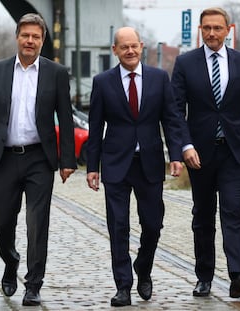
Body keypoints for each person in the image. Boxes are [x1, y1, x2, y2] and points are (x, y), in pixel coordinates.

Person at [0, 13, 76, 306]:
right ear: (17, 37)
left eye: (36, 37)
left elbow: (66, 120)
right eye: (25, 35)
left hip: (39, 159)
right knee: (1, 222)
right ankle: (10, 260)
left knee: (37, 222)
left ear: (42, 41)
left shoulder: (56, 73)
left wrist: (67, 159)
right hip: (4, 158)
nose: (30, 41)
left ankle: (33, 284)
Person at [171, 7, 240, 298]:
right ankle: (204, 276)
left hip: (236, 153)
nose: (211, 33)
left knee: (233, 211)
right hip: (199, 154)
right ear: (201, 30)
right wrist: (184, 146)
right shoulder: (185, 63)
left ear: (228, 30)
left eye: (217, 28)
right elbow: (176, 110)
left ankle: (239, 273)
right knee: (202, 216)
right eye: (207, 28)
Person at [86, 26, 183, 307]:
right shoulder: (102, 82)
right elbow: (94, 128)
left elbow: (172, 120)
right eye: (123, 47)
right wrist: (92, 167)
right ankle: (123, 285)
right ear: (115, 50)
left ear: (142, 47)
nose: (130, 51)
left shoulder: (159, 78)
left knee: (153, 224)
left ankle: (143, 266)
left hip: (150, 163)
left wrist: (175, 154)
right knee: (118, 226)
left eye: (134, 46)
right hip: (116, 163)